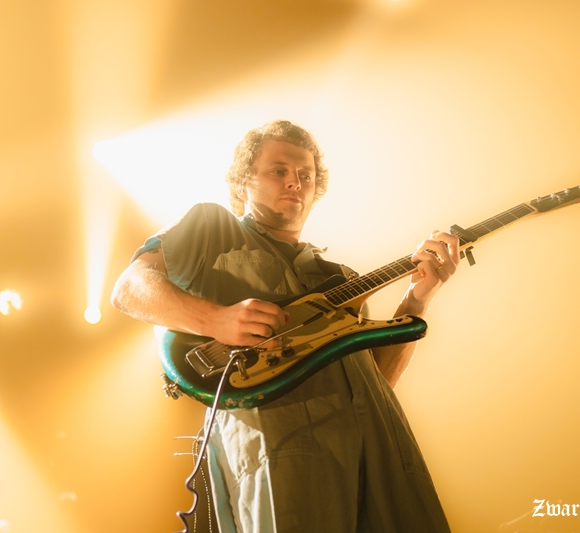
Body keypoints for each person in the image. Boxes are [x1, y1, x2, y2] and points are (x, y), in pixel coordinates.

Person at [111, 120, 458, 532]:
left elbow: (378, 380)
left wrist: (416, 300)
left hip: (382, 454)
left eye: (306, 176)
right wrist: (216, 319)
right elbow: (129, 288)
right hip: (284, 449)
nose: (295, 182)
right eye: (279, 171)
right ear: (243, 182)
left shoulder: (341, 278)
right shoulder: (211, 228)